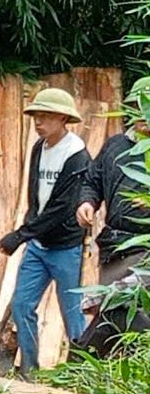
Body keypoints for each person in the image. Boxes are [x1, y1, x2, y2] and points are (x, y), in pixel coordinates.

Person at [0, 87, 90, 375]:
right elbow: (35, 195)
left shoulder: (77, 154)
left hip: (66, 247)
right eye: (36, 116)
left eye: (46, 117)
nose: (39, 123)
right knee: (23, 304)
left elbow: (62, 208)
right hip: (39, 246)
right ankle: (29, 370)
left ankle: (82, 374)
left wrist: (19, 235)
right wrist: (29, 229)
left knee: (72, 312)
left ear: (64, 118)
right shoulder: (39, 147)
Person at [73, 76, 150, 356]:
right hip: (114, 246)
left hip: (145, 247)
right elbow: (92, 181)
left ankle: (83, 361)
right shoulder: (116, 145)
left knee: (123, 306)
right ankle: (99, 369)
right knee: (115, 316)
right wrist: (87, 202)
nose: (144, 114)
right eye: (139, 107)